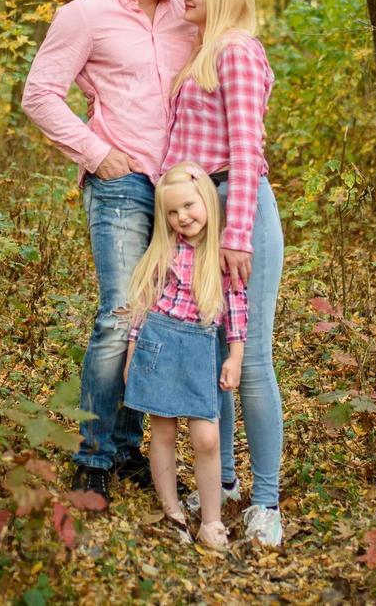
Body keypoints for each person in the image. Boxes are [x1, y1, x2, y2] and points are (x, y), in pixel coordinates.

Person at [21, 0, 203, 503]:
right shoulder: (86, 15)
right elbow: (40, 93)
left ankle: (129, 452)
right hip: (121, 181)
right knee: (119, 314)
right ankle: (95, 455)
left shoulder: (188, 14)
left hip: (180, 189)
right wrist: (97, 154)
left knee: (154, 319)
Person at [162, 0, 286, 547]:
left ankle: (266, 502)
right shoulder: (201, 53)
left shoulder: (237, 50)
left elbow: (247, 149)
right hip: (203, 215)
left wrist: (235, 236)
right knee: (216, 358)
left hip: (240, 210)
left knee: (252, 357)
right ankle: (227, 481)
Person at [121, 162, 246, 548]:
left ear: (207, 199)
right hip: (158, 341)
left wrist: (235, 356)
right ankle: (173, 512)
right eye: (172, 212)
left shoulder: (222, 254)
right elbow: (143, 304)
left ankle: (211, 521)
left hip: (198, 347)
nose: (182, 217)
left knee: (206, 436)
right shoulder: (165, 250)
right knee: (163, 430)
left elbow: (238, 306)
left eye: (189, 206)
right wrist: (131, 354)